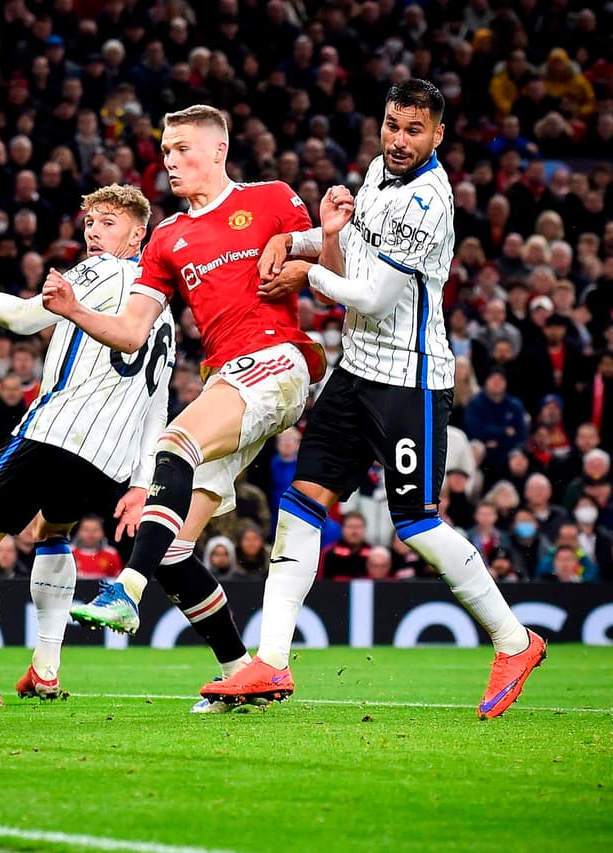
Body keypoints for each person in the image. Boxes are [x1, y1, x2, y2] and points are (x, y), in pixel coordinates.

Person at [204, 80, 545, 719]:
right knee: (301, 504)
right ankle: (270, 663)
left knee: (416, 522)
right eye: (392, 125)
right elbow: (354, 247)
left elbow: (373, 297)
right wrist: (295, 239)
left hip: (409, 380)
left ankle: (515, 640)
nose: (398, 139)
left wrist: (306, 269)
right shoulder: (377, 175)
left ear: (437, 136)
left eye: (414, 130)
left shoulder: (429, 201)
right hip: (355, 373)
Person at [41, 106, 325, 712]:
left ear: (218, 150)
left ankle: (127, 591)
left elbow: (336, 262)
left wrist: (303, 256)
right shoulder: (168, 237)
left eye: (182, 149)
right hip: (227, 379)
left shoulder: (273, 198)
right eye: (165, 151)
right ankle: (244, 676)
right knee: (167, 546)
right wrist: (73, 311)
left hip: (279, 360)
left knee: (174, 442)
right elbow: (130, 331)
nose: (170, 161)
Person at [0, 184, 174, 706]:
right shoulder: (159, 309)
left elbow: (24, 318)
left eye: (108, 222)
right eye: (90, 223)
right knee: (51, 534)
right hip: (108, 458)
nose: (94, 233)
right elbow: (158, 405)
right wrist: (142, 481)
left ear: (138, 233)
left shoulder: (99, 273)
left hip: (56, 432)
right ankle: (46, 670)